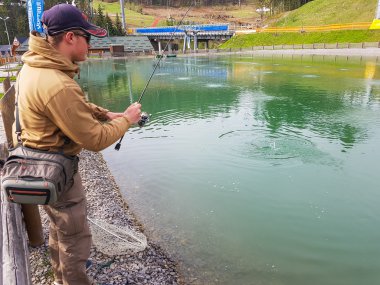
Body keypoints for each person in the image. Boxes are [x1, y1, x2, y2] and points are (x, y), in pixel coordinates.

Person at [14, 4, 142, 285]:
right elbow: (95, 139)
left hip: (37, 167)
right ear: (71, 37)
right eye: (88, 37)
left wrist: (104, 113)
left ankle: (60, 278)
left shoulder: (35, 66)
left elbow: (68, 106)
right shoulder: (58, 83)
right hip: (57, 172)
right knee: (75, 239)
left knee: (59, 230)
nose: (91, 44)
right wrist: (127, 120)